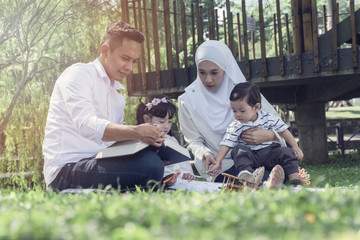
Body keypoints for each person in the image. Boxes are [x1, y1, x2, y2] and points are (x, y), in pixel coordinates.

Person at [42, 21, 166, 191]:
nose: (129, 68)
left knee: (152, 156)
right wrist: (136, 132)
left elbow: (112, 144)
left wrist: (146, 141)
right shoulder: (78, 74)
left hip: (98, 163)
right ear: (105, 50)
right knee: (150, 166)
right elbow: (86, 124)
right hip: (66, 170)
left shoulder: (116, 96)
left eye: (135, 61)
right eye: (125, 58)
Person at [178, 40, 286, 182]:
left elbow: (279, 127)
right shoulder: (187, 100)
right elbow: (193, 141)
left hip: (259, 157)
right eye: (202, 72)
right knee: (257, 180)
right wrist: (205, 154)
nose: (208, 79)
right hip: (223, 166)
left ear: (226, 68)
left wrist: (268, 135)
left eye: (214, 72)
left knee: (271, 175)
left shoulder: (245, 93)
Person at [211, 82, 304, 189]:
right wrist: (218, 160)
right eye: (234, 110)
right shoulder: (236, 126)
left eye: (242, 110)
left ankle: (295, 181)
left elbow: (283, 131)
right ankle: (248, 176)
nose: (237, 114)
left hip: (270, 153)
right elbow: (226, 143)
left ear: (256, 107)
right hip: (251, 157)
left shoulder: (268, 118)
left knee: (287, 152)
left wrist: (295, 147)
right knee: (238, 150)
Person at [136, 94, 195, 187]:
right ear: (147, 119)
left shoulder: (172, 140)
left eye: (170, 121)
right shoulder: (140, 141)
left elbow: (184, 164)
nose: (166, 126)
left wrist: (187, 174)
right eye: (162, 122)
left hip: (180, 183)